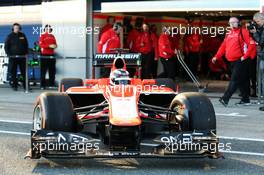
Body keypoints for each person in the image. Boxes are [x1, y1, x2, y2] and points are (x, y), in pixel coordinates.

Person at [212, 17, 255, 107]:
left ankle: (225, 98)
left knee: (234, 80)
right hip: (231, 61)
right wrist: (217, 56)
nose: (231, 24)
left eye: (234, 22)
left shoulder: (244, 32)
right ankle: (245, 100)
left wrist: (245, 57)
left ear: (238, 23)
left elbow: (252, 45)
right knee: (242, 80)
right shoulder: (229, 33)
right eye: (230, 23)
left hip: (241, 60)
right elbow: (223, 46)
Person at [4, 23, 28, 91]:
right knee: (13, 72)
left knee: (24, 72)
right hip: (13, 57)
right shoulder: (9, 36)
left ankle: (25, 86)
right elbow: (6, 46)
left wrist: (26, 53)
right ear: (13, 29)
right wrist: (8, 54)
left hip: (22, 57)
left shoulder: (22, 35)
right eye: (15, 28)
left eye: (18, 28)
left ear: (19, 28)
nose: (17, 29)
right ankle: (14, 86)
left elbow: (26, 45)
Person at [249, 12, 264, 111]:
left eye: (258, 21)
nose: (257, 23)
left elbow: (261, 42)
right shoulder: (260, 28)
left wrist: (255, 33)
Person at [39, 25, 57, 89]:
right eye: (47, 29)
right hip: (44, 55)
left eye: (49, 29)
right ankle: (42, 85)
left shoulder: (52, 36)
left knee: (52, 70)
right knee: (43, 71)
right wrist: (49, 46)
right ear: (45, 29)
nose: (48, 30)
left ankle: (51, 84)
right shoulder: (42, 36)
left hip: (52, 55)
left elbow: (55, 45)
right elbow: (41, 45)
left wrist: (54, 46)